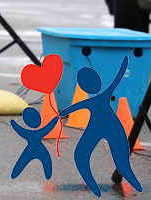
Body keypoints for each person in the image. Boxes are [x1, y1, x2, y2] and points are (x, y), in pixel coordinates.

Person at [59, 57, 142, 196]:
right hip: (110, 126)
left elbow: (73, 108)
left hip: (97, 127)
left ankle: (94, 185)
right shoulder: (101, 96)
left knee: (81, 155)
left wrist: (60, 113)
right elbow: (117, 80)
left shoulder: (94, 99)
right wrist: (123, 66)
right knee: (116, 158)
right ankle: (127, 183)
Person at [10, 107, 58, 179]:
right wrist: (56, 118)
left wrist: (13, 123)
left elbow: (19, 129)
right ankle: (48, 176)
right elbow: (49, 126)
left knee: (21, 162)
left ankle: (14, 174)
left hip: (29, 149)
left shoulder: (27, 133)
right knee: (47, 162)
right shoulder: (40, 132)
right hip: (41, 149)